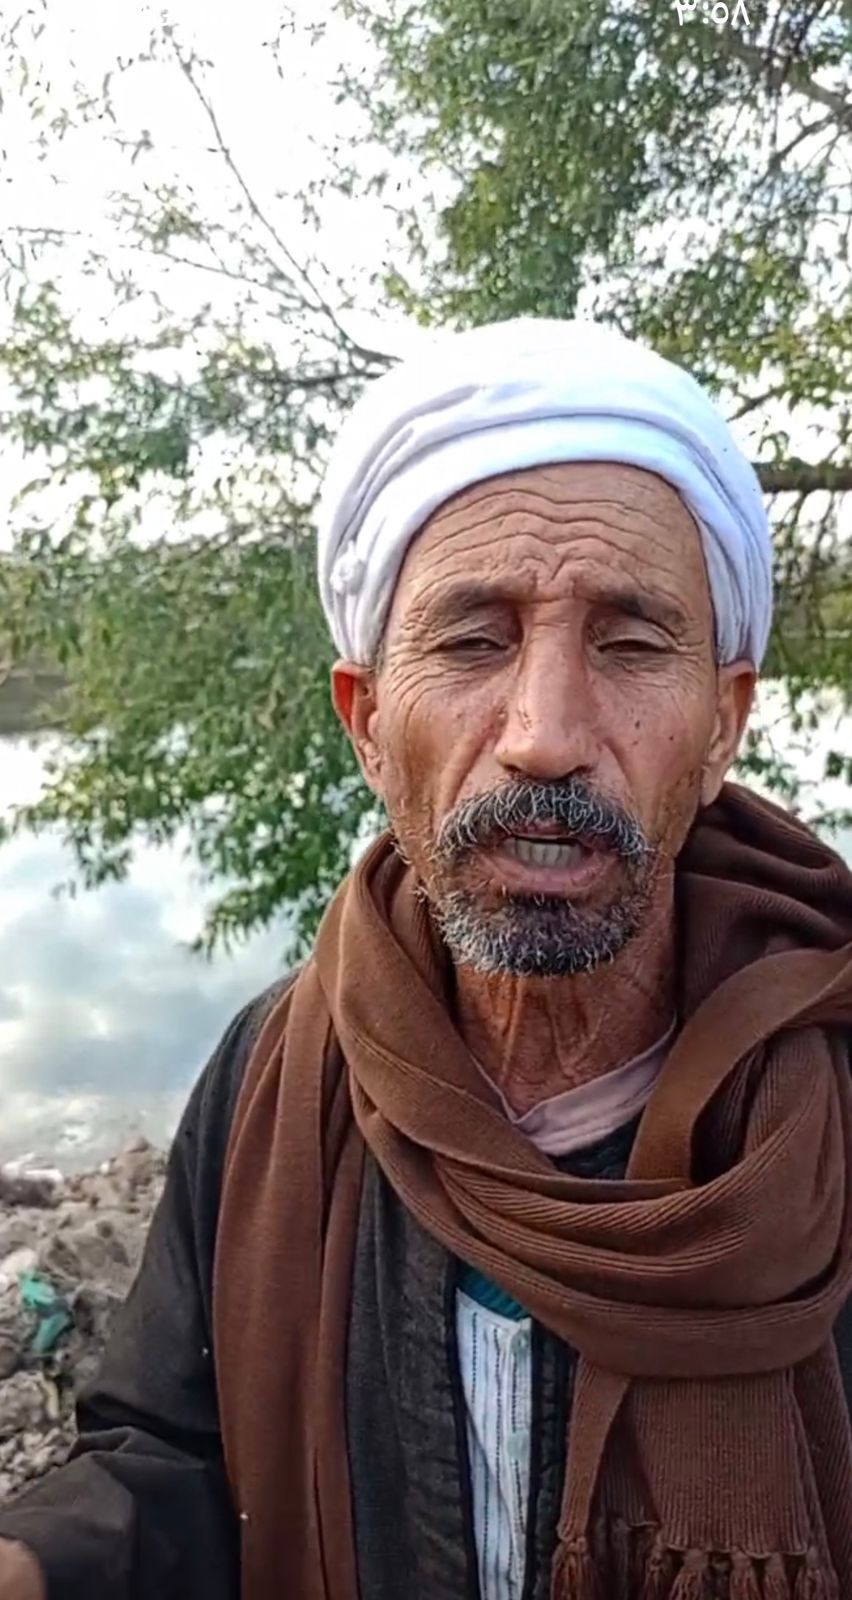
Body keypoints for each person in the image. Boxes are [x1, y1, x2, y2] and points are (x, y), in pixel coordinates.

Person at [1, 317, 851, 1600]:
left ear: (724, 722)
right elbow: (175, 1455)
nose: (545, 734)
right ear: (367, 723)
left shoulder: (831, 1086)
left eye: (630, 643)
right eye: (472, 641)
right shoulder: (277, 1072)